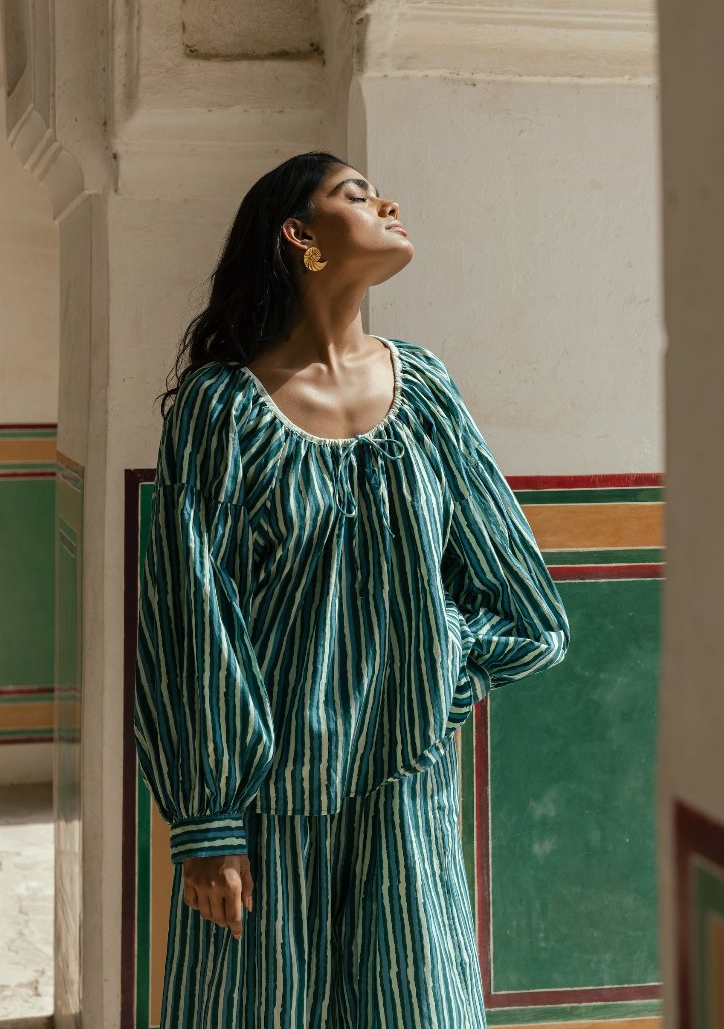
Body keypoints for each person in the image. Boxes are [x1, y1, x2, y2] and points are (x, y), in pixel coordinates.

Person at [134, 151, 570, 1028]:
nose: (388, 203)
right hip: (268, 807)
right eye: (356, 194)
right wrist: (208, 824)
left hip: (406, 793)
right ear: (300, 235)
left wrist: (435, 661)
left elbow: (528, 606)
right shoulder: (221, 411)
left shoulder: (426, 393)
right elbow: (192, 616)